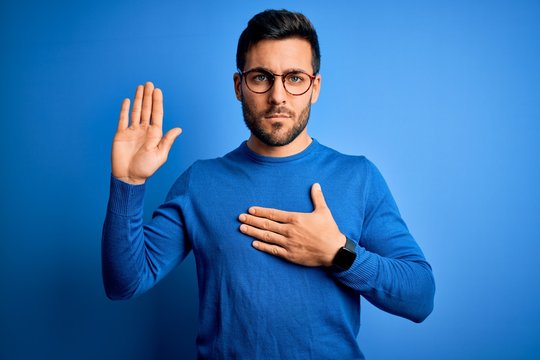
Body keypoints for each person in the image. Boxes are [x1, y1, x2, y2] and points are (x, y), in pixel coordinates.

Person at [102, 9, 435, 359]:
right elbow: (124, 283)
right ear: (238, 86)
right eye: (261, 77)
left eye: (294, 78)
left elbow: (420, 297)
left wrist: (338, 253)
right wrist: (129, 182)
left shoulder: (359, 178)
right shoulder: (199, 182)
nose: (278, 96)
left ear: (314, 87)